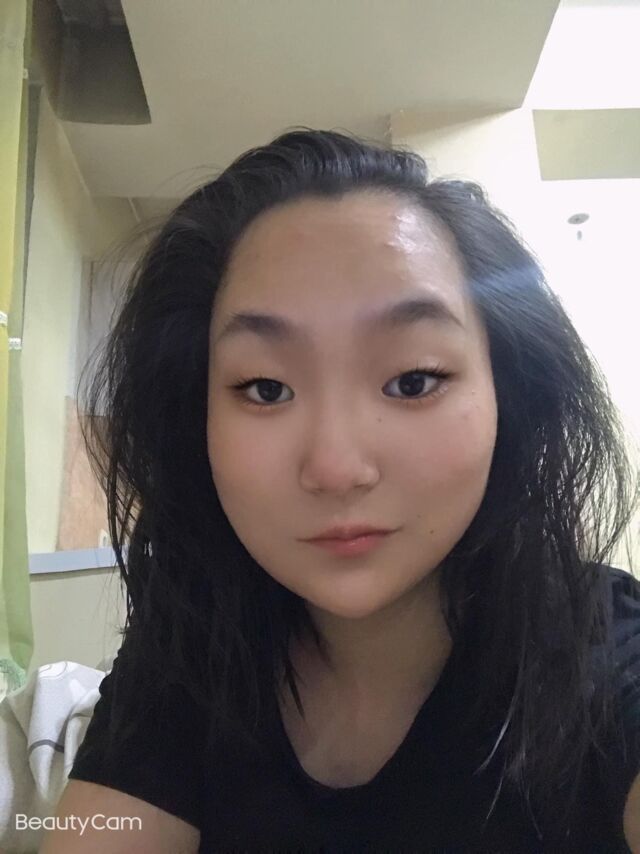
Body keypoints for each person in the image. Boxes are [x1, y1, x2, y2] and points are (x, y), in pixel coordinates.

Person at [40, 128, 640, 853]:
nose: (336, 467)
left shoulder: (608, 658)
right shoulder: (189, 655)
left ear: (507, 397)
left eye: (413, 381)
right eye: (266, 388)